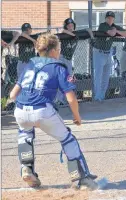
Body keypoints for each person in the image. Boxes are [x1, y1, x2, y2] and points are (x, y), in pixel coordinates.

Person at [9, 33, 98, 190]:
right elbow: (71, 98)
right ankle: (82, 178)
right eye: (58, 49)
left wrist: (27, 106)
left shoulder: (29, 64)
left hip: (20, 109)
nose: (59, 52)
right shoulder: (58, 67)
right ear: (53, 51)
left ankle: (27, 168)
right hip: (42, 109)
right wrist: (77, 117)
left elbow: (12, 95)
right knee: (67, 139)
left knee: (25, 133)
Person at [92, 11, 126, 102]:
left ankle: (102, 96)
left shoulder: (115, 26)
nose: (110, 19)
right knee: (98, 76)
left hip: (108, 53)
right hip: (99, 52)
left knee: (106, 76)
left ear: (113, 19)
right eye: (108, 18)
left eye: (111, 18)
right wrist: (116, 31)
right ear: (105, 18)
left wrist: (116, 30)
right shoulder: (103, 25)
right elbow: (112, 33)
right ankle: (96, 97)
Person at [55, 18, 94, 105]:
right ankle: (59, 99)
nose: (70, 27)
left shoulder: (77, 34)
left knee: (68, 80)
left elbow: (88, 29)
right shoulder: (65, 34)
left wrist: (92, 37)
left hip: (68, 60)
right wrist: (72, 34)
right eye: (69, 26)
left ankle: (65, 99)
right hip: (62, 58)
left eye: (72, 25)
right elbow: (62, 30)